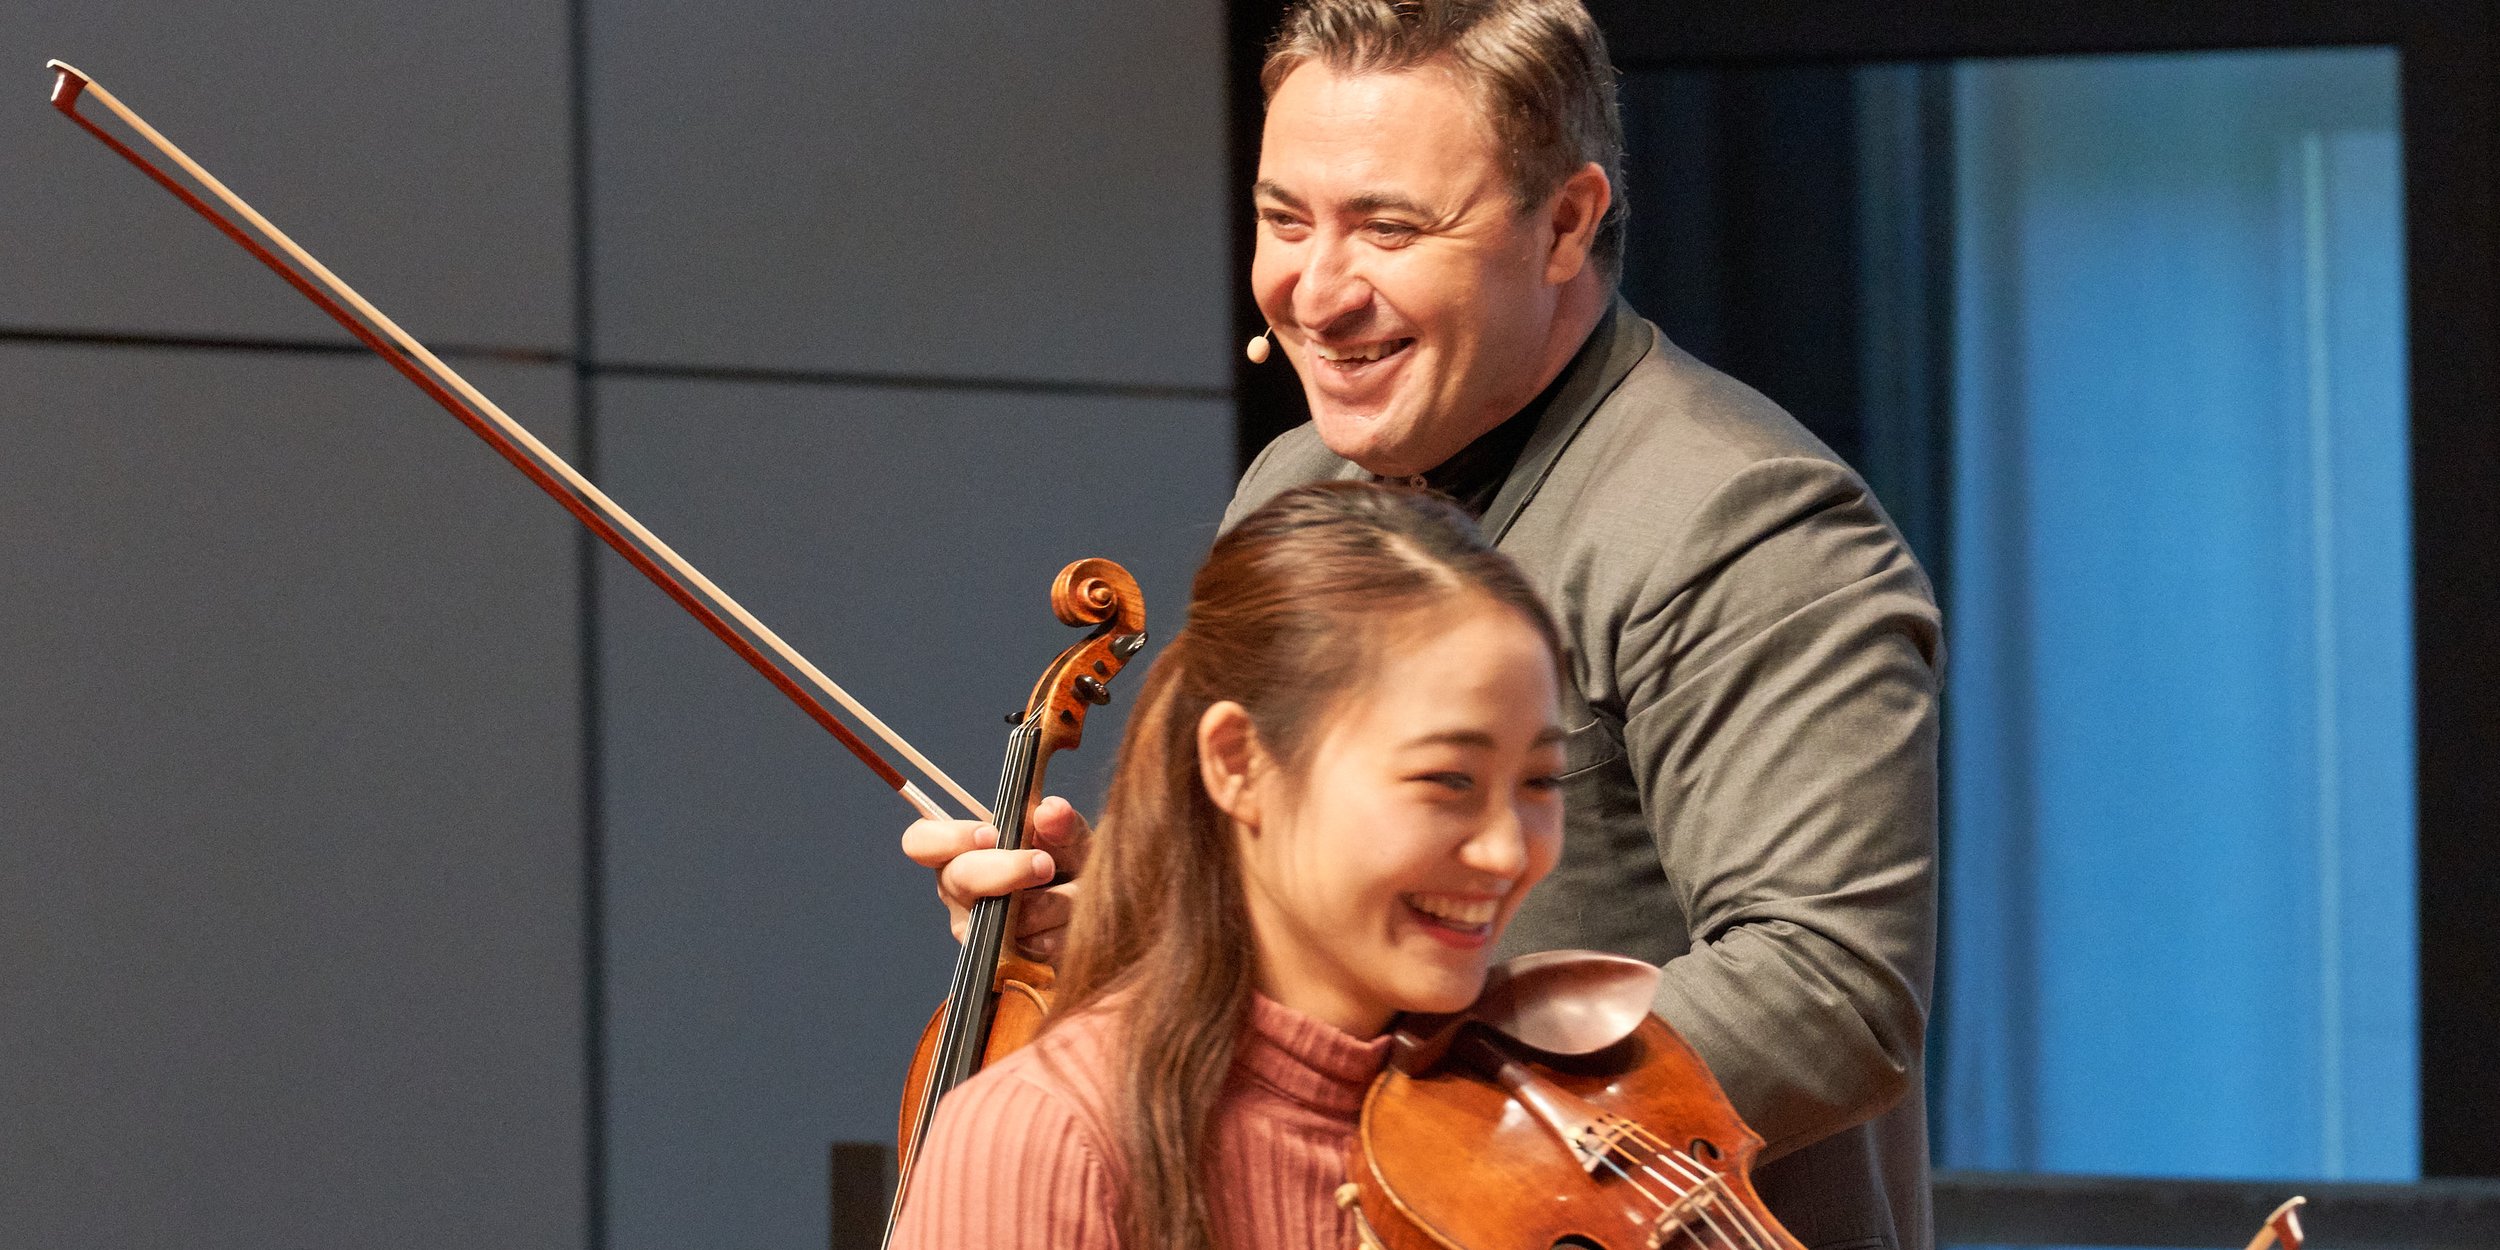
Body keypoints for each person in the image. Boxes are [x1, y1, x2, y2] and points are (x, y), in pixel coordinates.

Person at [906, 3, 1942, 1247]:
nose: (1317, 290)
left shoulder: (1745, 518)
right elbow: (1265, 910)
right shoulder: (1294, 485)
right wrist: (1108, 915)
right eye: (1285, 219)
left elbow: (1828, 990)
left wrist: (1397, 1116)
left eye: (1388, 227)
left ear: (1564, 222)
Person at [890, 482, 1572, 1250]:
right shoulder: (1048, 1141)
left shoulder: (1550, 1130)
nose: (1509, 852)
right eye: (1448, 781)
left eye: (1540, 781)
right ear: (1240, 763)